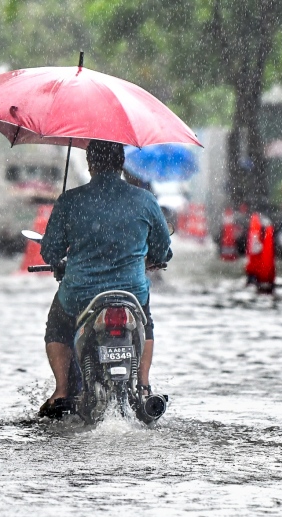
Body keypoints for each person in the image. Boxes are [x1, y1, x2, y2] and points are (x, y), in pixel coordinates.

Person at [37, 140, 172, 418]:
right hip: (131, 293)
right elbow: (162, 250)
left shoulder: (70, 200)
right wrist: (152, 259)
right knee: (147, 323)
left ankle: (62, 390)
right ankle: (144, 387)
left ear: (90, 164)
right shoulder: (146, 200)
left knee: (57, 326)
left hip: (80, 295)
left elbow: (50, 250)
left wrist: (60, 258)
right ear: (122, 163)